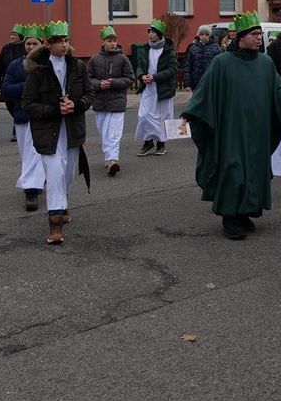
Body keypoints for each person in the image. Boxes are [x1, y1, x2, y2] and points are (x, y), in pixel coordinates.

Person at [182, 11, 281, 241]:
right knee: (233, 169)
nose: (259, 38)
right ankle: (229, 217)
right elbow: (204, 91)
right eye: (254, 34)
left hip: (258, 130)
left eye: (260, 34)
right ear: (240, 38)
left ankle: (244, 212)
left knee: (253, 169)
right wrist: (191, 113)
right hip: (230, 129)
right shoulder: (222, 62)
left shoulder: (265, 62)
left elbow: (280, 93)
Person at [21, 21, 93, 245]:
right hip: (48, 131)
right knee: (53, 173)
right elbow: (28, 103)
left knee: (68, 173)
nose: (64, 45)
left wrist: (77, 105)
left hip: (71, 130)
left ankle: (63, 203)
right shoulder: (39, 70)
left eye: (66, 40)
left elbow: (89, 95)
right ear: (48, 44)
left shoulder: (78, 67)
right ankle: (55, 223)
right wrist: (54, 110)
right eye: (59, 41)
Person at [0, 23, 46, 211]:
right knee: (26, 153)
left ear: (41, 45)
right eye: (28, 44)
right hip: (22, 115)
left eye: (35, 44)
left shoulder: (47, 64)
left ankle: (31, 190)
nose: (31, 47)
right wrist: (25, 87)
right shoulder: (15, 65)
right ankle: (34, 182)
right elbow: (5, 89)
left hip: (43, 115)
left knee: (37, 151)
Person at [86, 26, 133, 177]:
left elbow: (129, 78)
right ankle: (109, 158)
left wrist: (113, 83)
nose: (112, 43)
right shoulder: (94, 59)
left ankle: (113, 159)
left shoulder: (123, 59)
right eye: (109, 40)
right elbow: (88, 79)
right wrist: (99, 84)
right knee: (104, 133)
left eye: (114, 40)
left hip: (117, 102)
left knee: (114, 133)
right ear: (103, 42)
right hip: (100, 102)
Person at [132, 19, 177, 156]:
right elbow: (139, 65)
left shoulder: (168, 50)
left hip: (162, 89)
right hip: (148, 88)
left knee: (162, 116)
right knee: (144, 115)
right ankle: (148, 142)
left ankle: (161, 144)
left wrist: (155, 77)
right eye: (149, 32)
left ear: (159, 34)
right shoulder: (146, 49)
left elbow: (172, 69)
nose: (150, 34)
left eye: (152, 32)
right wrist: (141, 76)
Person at [0, 23, 27, 142]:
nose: (12, 37)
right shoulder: (6, 48)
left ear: (21, 37)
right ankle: (17, 123)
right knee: (10, 106)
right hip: (8, 82)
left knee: (18, 106)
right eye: (11, 34)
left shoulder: (24, 48)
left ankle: (16, 129)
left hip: (19, 82)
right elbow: (0, 65)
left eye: (15, 35)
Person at [184, 24, 222, 92]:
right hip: (196, 82)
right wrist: (188, 84)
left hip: (211, 81)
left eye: (206, 34)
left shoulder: (216, 48)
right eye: (202, 34)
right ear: (198, 35)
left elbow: (220, 66)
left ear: (209, 35)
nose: (204, 36)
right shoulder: (192, 48)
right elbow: (188, 66)